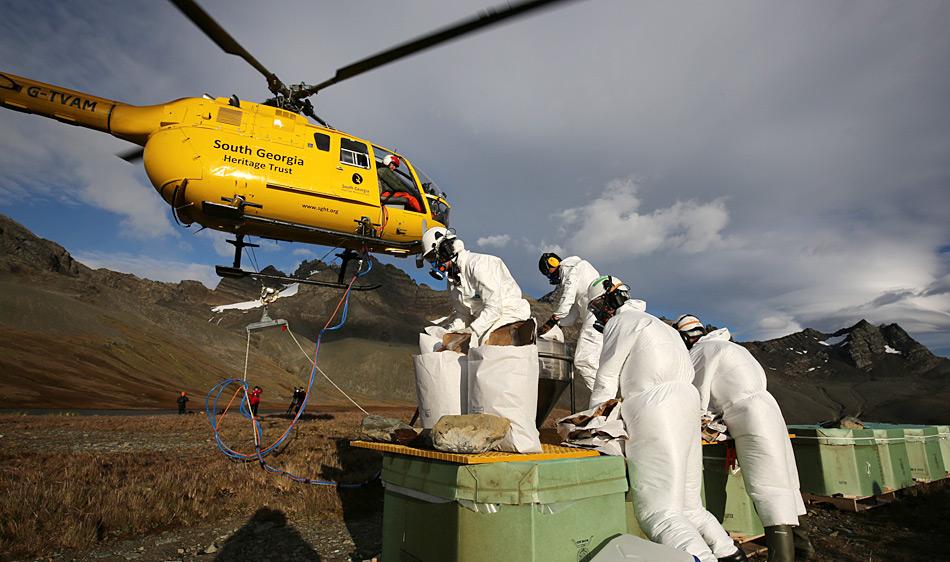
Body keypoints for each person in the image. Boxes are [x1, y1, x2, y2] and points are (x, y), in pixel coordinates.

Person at [587, 277, 745, 562]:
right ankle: (729, 553)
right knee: (690, 507)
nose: (598, 313)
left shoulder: (621, 323)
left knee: (659, 514)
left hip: (655, 407)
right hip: (687, 406)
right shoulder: (660, 326)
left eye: (597, 305)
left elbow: (606, 377)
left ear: (610, 300)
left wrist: (594, 425)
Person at [675, 315, 813, 562]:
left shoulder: (703, 351)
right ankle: (804, 550)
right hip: (770, 409)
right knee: (786, 482)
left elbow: (695, 397)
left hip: (748, 416)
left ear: (685, 336)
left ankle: (783, 558)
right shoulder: (731, 347)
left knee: (767, 488)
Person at [421, 227, 531, 346]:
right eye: (429, 259)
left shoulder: (479, 265)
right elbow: (463, 315)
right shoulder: (452, 283)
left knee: (486, 345)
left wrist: (471, 330)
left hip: (509, 314)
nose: (433, 264)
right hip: (485, 321)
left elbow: (494, 308)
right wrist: (449, 334)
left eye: (433, 257)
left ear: (445, 250)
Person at [537, 252, 603, 391]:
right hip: (598, 317)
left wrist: (553, 319)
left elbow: (567, 298)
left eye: (548, 274)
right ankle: (605, 396)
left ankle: (603, 399)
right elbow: (573, 314)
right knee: (597, 363)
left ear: (552, 266)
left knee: (584, 360)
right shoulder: (580, 272)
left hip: (596, 318)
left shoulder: (574, 270)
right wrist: (558, 325)